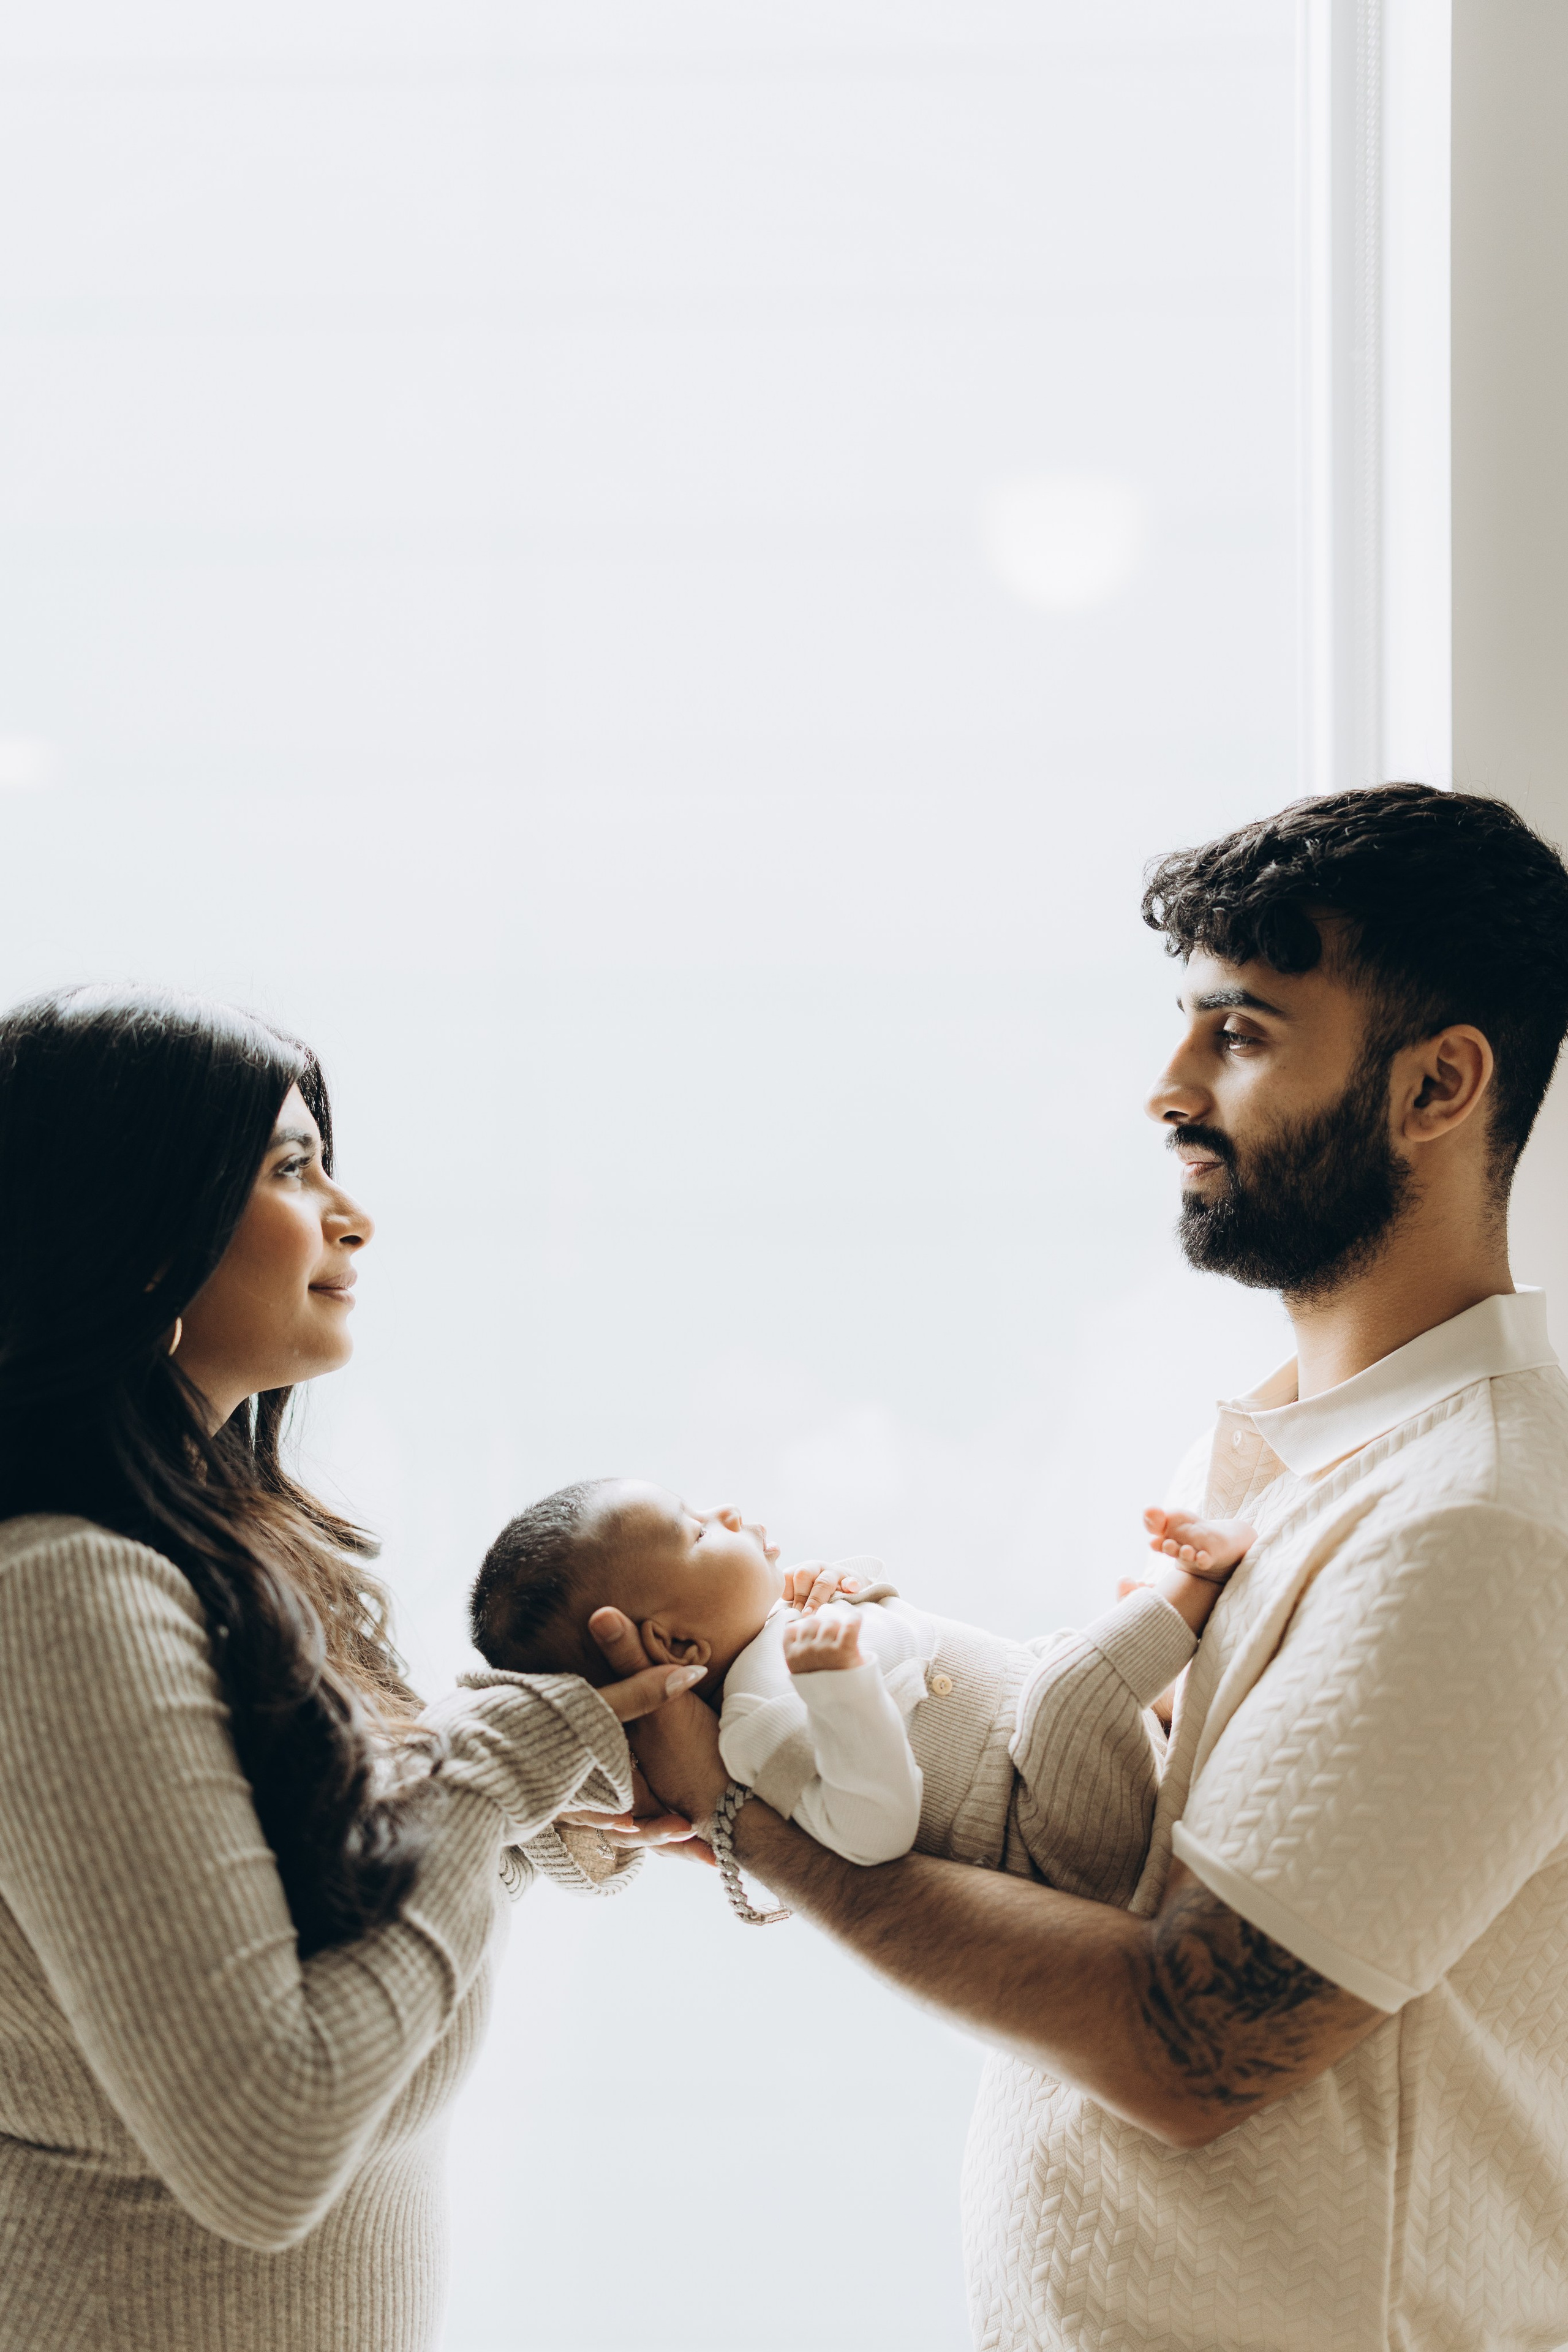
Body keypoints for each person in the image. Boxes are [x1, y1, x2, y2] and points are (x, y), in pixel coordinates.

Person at [603, 784, 1568, 2351]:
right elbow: (1112, 1850)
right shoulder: (1285, 1454)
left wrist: (748, 1821)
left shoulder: (1479, 1522)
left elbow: (1192, 2044)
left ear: (1437, 1083)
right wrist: (826, 1676)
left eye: (1238, 1035)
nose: (1165, 1089)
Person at [0, 985, 699, 2352]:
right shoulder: (63, 1597)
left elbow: (310, 1891)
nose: (352, 1214)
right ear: (134, 1227)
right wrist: (498, 1773)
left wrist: (559, 1805)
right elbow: (267, 2141)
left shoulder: (217, 1545)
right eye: (289, 1167)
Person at [469, 1476, 1252, 1879]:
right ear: (674, 1642)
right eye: (698, 1530)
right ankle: (1195, 1589)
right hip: (1059, 1834)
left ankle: (1162, 1702)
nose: (730, 1513)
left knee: (1050, 1661)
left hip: (1047, 1766)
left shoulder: (785, 1642)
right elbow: (870, 1831)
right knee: (1063, 1691)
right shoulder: (756, 1725)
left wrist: (849, 1590)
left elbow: (908, 1639)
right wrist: (840, 1687)